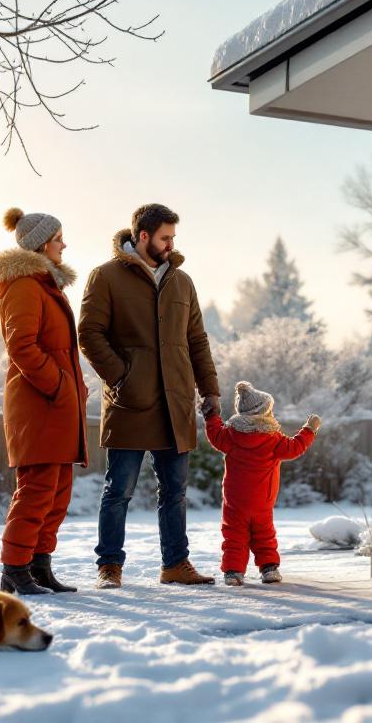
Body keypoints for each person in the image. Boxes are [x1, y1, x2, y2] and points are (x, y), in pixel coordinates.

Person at [78, 204, 221, 588]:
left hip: (175, 404)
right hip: (130, 403)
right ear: (142, 236)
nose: (171, 244)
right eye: (165, 238)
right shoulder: (105, 277)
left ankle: (175, 564)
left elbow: (197, 340)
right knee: (118, 490)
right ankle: (109, 566)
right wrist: (122, 377)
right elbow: (90, 334)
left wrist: (210, 390)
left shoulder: (182, 282)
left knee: (175, 491)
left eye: (173, 237)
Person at [0, 207, 89, 595]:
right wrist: (61, 386)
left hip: (57, 407)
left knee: (57, 494)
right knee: (35, 493)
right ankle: (14, 571)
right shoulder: (25, 286)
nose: (64, 244)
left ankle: (39, 567)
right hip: (38, 407)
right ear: (43, 243)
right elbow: (22, 347)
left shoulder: (45, 284)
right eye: (59, 237)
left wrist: (72, 390)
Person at [203, 381, 320, 586]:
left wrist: (211, 417)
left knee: (234, 535)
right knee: (264, 534)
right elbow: (295, 448)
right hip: (262, 501)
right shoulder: (273, 440)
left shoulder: (230, 435)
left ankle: (233, 572)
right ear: (264, 413)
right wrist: (309, 430)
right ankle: (269, 569)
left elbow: (214, 434)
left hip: (234, 500)